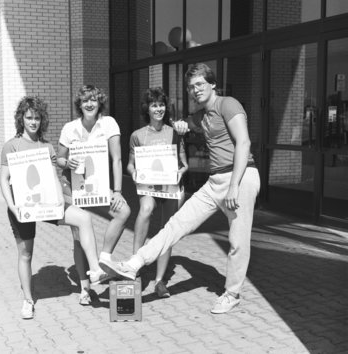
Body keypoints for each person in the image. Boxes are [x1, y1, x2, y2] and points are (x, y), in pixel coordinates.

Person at [99, 63, 261, 314]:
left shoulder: (228, 104)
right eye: (191, 87)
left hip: (241, 178)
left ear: (212, 84)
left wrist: (233, 187)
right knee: (176, 223)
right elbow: (183, 124)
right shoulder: (201, 115)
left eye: (199, 84)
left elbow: (244, 142)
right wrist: (182, 125)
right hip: (215, 180)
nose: (195, 90)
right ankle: (134, 263)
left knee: (237, 240)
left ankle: (232, 293)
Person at [0, 96, 107, 319]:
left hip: (48, 203)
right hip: (23, 208)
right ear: (21, 119)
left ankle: (95, 269)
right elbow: (4, 179)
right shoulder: (11, 145)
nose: (33, 122)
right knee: (26, 254)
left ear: (42, 120)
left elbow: (53, 177)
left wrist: (60, 200)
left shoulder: (46, 146)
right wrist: (12, 207)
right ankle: (28, 300)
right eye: (29, 117)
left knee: (83, 219)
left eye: (37, 118)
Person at [57, 85, 131, 302]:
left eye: (93, 100)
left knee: (124, 211)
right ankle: (84, 288)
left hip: (98, 185)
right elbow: (59, 159)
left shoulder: (108, 123)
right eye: (85, 100)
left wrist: (117, 191)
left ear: (100, 103)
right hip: (73, 185)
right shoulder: (70, 128)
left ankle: (104, 259)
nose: (89, 104)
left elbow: (116, 159)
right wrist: (67, 162)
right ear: (79, 105)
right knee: (78, 236)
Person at [127, 87, 188, 298]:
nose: (158, 109)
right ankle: (134, 267)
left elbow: (184, 164)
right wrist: (134, 172)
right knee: (145, 209)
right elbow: (130, 164)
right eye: (154, 105)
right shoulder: (138, 135)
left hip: (170, 187)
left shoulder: (174, 133)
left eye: (161, 104)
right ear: (148, 108)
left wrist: (181, 172)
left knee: (166, 228)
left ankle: (160, 280)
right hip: (148, 187)